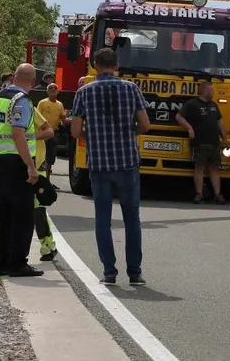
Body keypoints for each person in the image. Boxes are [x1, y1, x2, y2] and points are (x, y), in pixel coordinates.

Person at [69, 47, 150, 285]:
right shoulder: (131, 89)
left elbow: (75, 131)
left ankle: (109, 272)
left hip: (99, 164)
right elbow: (145, 125)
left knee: (102, 218)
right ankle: (134, 272)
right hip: (127, 162)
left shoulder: (83, 92)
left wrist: (92, 133)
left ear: (94, 65)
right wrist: (128, 131)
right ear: (116, 65)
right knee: (131, 218)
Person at [0, 63, 42, 278]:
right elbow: (19, 134)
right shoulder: (22, 101)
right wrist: (30, 166)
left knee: (4, 215)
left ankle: (0, 262)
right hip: (17, 162)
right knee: (22, 215)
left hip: (0, 159)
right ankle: (17, 263)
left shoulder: (0, 96)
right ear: (33, 80)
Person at [176, 79, 228, 204]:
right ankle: (199, 194)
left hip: (214, 143)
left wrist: (225, 139)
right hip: (199, 143)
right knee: (199, 168)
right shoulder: (192, 104)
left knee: (214, 169)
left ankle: (218, 195)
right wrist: (189, 128)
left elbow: (219, 123)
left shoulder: (214, 105)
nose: (213, 92)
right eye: (211, 90)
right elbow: (179, 117)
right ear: (204, 90)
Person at [31, 103, 59, 262]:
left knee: (37, 208)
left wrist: (30, 136)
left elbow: (49, 131)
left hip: (37, 165)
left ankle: (48, 245)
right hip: (15, 165)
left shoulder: (29, 109)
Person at [35, 83, 67, 176]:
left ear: (58, 91)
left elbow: (63, 118)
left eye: (55, 88)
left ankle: (47, 180)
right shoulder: (42, 102)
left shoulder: (60, 104)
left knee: (50, 157)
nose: (53, 89)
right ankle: (38, 177)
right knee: (41, 156)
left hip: (54, 133)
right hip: (43, 134)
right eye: (51, 88)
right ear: (47, 91)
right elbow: (37, 117)